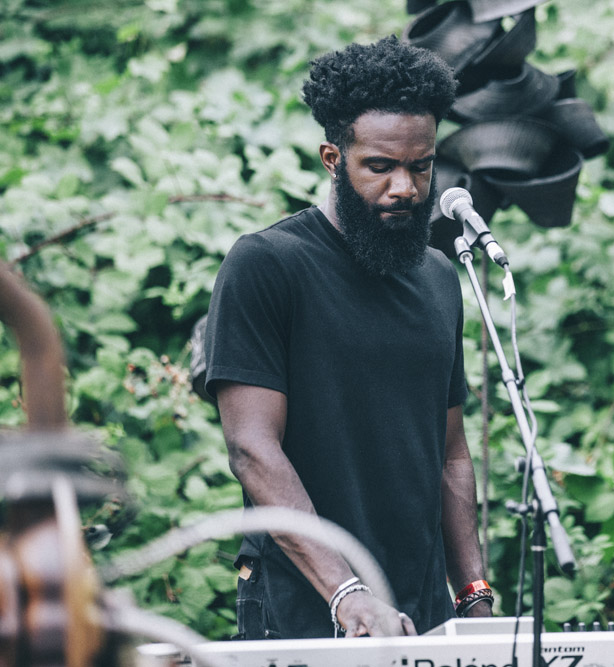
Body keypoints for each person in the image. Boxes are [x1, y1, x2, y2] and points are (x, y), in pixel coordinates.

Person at [203, 36, 491, 640]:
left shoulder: (440, 278)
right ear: (333, 159)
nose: (405, 188)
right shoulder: (267, 265)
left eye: (420, 166)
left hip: (424, 614)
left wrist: (473, 598)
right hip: (306, 606)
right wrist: (346, 593)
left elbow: (451, 454)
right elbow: (253, 449)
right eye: (380, 167)